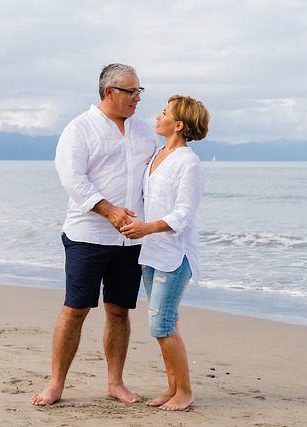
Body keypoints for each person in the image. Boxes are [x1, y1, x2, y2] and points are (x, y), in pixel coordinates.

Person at [31, 63, 160, 406]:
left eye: (139, 91)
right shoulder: (80, 128)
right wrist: (109, 210)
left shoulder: (145, 131)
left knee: (119, 311)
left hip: (131, 238)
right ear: (109, 92)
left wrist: (159, 225)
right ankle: (56, 384)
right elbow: (72, 180)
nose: (137, 98)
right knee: (75, 309)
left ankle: (115, 383)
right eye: (132, 91)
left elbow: (155, 180)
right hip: (87, 235)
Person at [120, 95, 209, 411]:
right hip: (151, 253)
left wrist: (146, 228)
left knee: (162, 325)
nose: (157, 116)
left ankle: (184, 391)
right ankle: (172, 389)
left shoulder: (189, 163)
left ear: (179, 124)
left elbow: (184, 215)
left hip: (175, 256)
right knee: (164, 325)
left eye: (164, 112)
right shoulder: (158, 154)